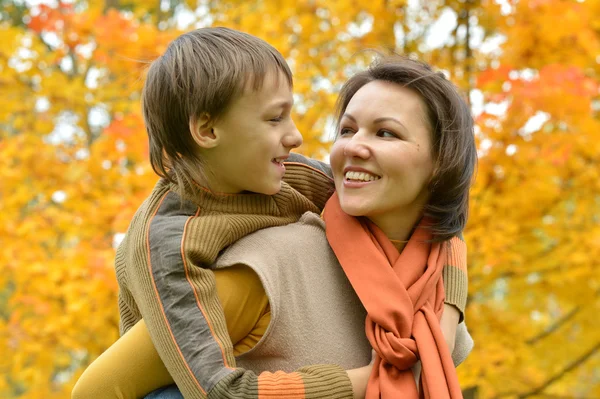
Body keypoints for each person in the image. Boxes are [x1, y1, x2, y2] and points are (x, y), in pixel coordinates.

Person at [71, 26, 473, 399]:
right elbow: (208, 390)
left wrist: (446, 323)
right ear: (208, 132)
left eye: (385, 132)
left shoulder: (292, 179)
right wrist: (367, 381)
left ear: (442, 160)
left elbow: (441, 220)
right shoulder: (184, 253)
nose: (298, 137)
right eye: (347, 130)